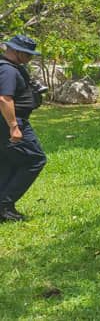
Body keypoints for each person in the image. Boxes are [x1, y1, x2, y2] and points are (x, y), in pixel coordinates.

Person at [0, 35, 47, 222]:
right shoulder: (7, 71)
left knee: (8, 163)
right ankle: (5, 204)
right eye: (27, 54)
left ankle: (3, 207)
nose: (30, 58)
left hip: (9, 123)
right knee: (34, 159)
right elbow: (4, 99)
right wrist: (14, 127)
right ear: (16, 51)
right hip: (11, 123)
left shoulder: (11, 67)